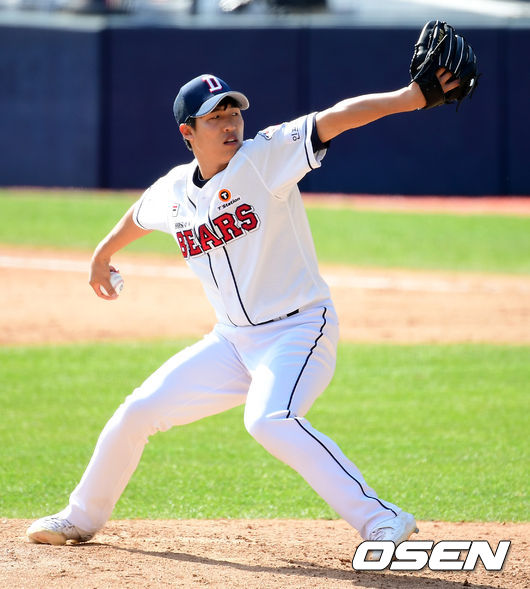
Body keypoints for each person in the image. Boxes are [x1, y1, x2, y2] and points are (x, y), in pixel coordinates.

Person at [27, 68, 459, 555]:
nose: (230, 124)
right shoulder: (174, 190)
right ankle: (81, 517)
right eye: (215, 117)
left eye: (233, 113)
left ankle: (383, 519)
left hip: (299, 330)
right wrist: (102, 254)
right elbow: (141, 214)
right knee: (138, 412)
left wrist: (409, 97)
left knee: (269, 419)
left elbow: (336, 118)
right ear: (187, 131)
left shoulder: (264, 158)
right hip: (232, 342)